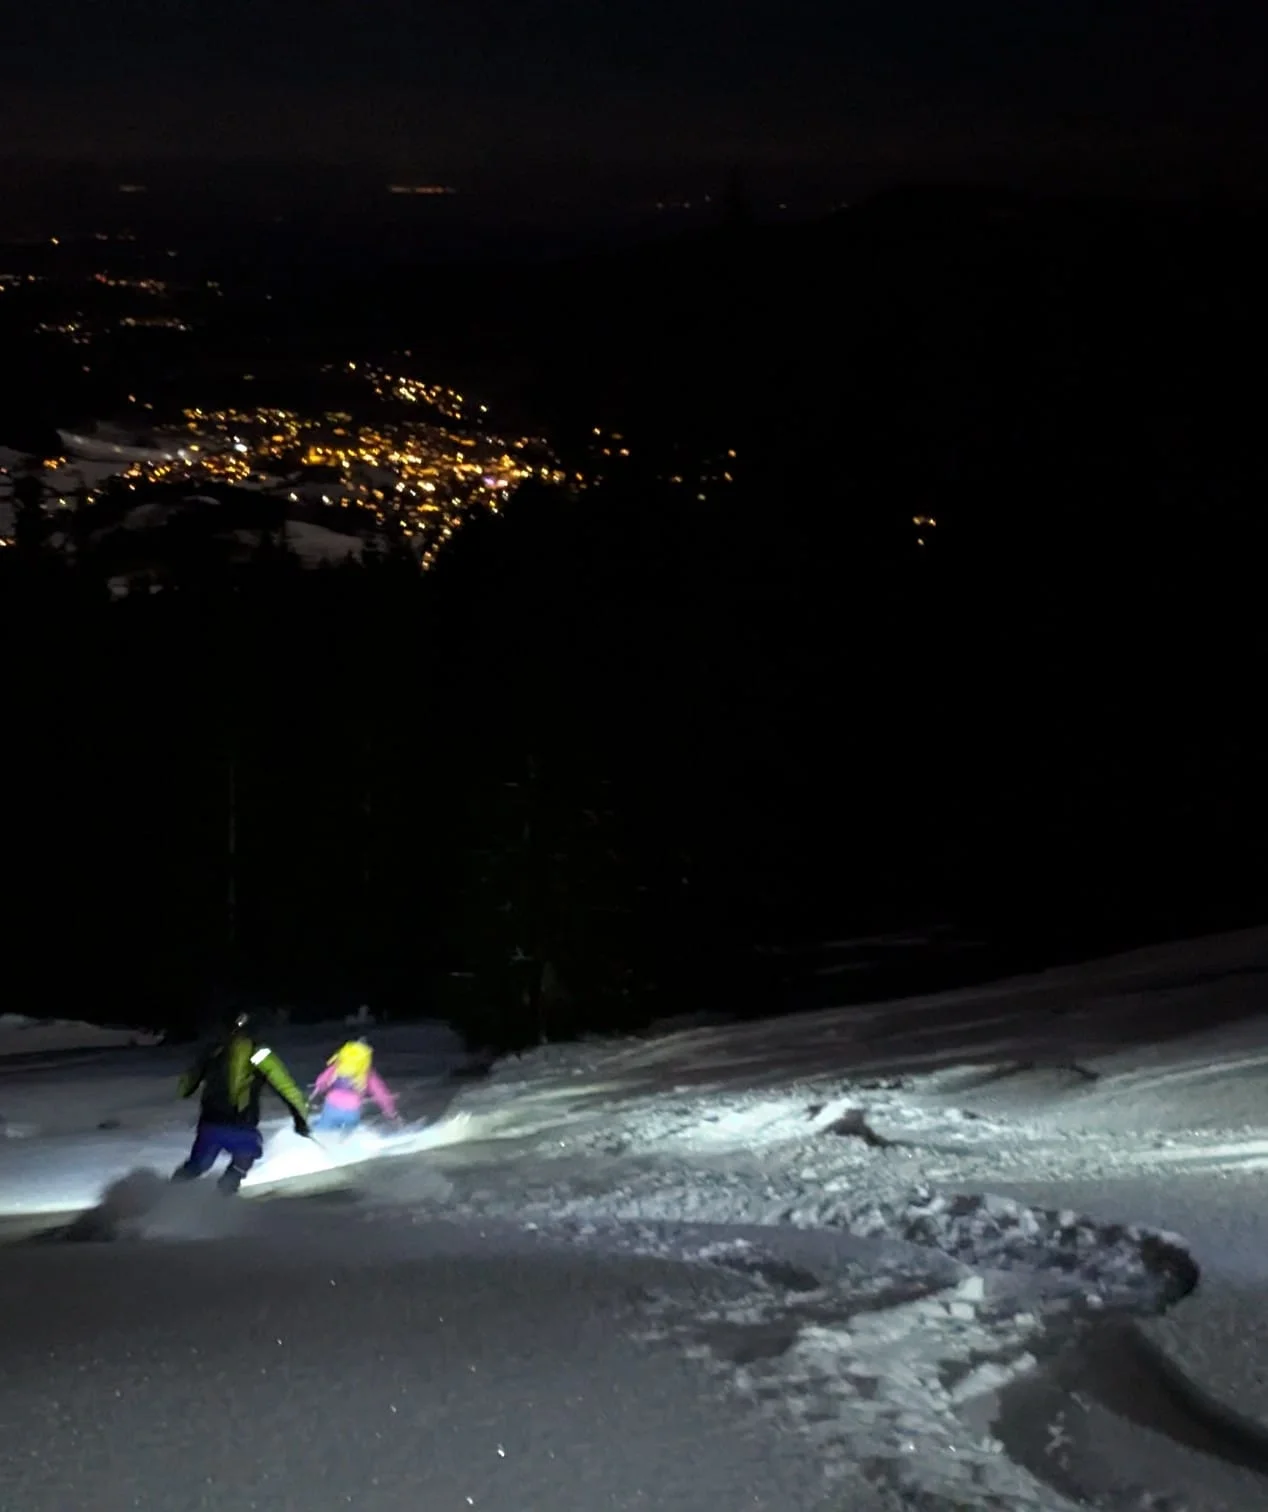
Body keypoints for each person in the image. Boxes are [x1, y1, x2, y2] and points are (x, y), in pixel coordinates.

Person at [172, 1012, 310, 1194]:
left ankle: (167, 1193)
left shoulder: (214, 1051)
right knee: (246, 1154)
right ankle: (223, 1195)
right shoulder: (258, 1053)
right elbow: (286, 1087)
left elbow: (185, 1088)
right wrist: (300, 1119)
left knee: (198, 1164)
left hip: (210, 1123)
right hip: (241, 1123)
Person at [311, 1037, 400, 1135]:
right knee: (346, 1138)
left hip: (331, 1106)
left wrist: (316, 1096)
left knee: (321, 1133)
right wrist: (391, 1113)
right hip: (352, 1111)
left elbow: (321, 1083)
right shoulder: (368, 1073)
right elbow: (381, 1094)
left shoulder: (337, 1066)